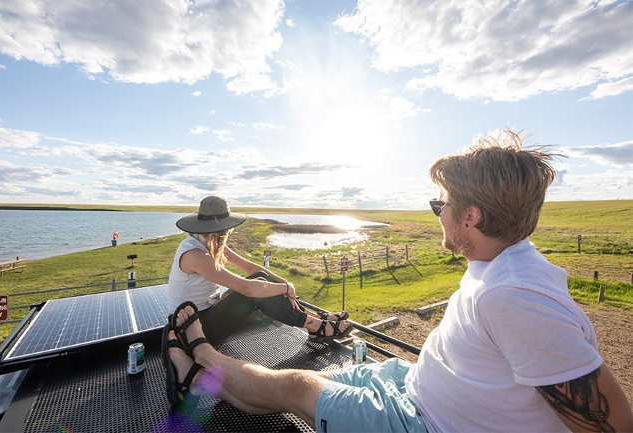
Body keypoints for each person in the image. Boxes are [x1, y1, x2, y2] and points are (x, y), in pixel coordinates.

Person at [163, 131, 632, 432]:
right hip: (412, 384)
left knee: (296, 388)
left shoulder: (515, 297)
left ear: (471, 215)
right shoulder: (503, 265)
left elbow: (612, 422)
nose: (437, 214)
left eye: (439, 205)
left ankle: (201, 354)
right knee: (312, 381)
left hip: (422, 419)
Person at [166, 195, 352, 347]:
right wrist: (285, 288)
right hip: (193, 330)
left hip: (208, 314)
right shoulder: (195, 254)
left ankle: (315, 319)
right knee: (253, 293)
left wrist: (283, 283)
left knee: (260, 278)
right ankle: (315, 326)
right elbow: (246, 288)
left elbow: (250, 268)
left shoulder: (208, 242)